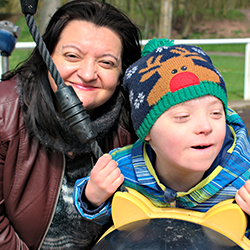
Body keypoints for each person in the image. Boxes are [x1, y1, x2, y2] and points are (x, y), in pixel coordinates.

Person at [73, 39, 250, 239]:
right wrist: (93, 199)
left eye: (216, 113)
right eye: (183, 117)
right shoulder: (122, 169)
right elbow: (102, 224)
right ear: (146, 131)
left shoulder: (244, 178)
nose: (206, 126)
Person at [0, 0, 141, 249]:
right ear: (47, 58)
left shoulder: (134, 125)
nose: (87, 74)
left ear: (122, 74)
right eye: (72, 56)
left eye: (106, 62)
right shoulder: (4, 111)